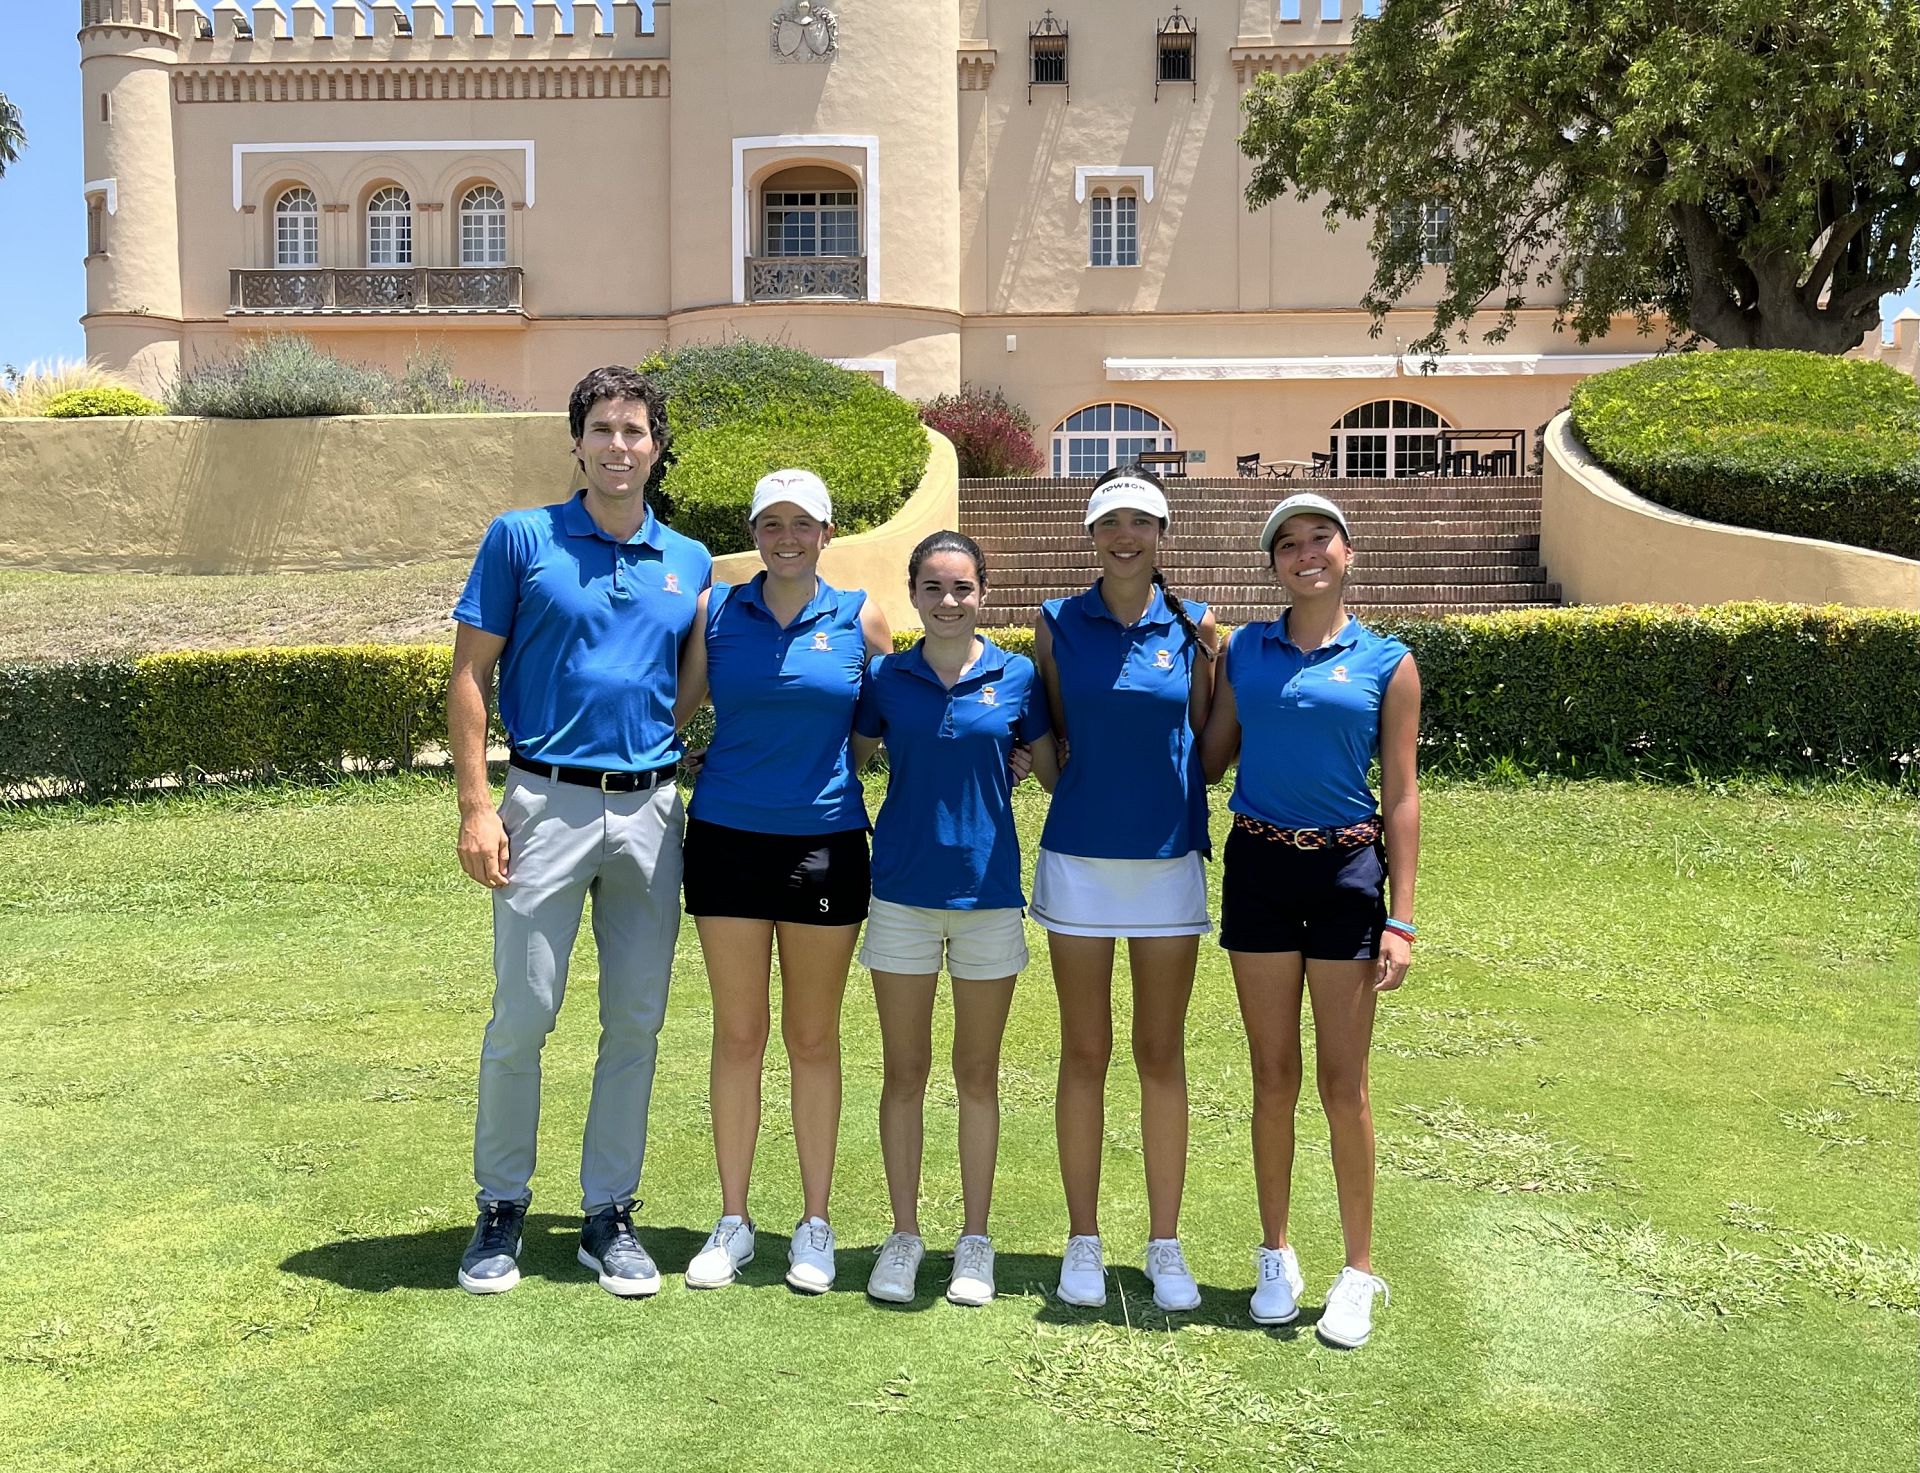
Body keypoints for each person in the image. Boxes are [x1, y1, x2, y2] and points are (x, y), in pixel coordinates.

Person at [448, 365, 712, 1298]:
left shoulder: (689, 558)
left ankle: (609, 1212)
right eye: (601, 428)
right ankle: (501, 1204)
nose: (618, 445)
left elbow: (689, 683)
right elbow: (471, 677)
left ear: (656, 446)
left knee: (635, 1018)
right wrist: (479, 806)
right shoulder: (522, 538)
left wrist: (652, 752)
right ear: (577, 442)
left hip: (650, 810)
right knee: (524, 1012)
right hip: (542, 804)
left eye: (635, 430)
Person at [1200, 491, 1420, 1349]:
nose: (1306, 554)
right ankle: (1276, 1252)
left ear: (1347, 552)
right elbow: (1213, 756)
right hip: (1258, 866)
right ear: (1274, 564)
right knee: (1272, 1074)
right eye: (1287, 544)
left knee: (1343, 1081)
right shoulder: (1247, 649)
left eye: (1319, 538)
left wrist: (1402, 917)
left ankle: (1358, 1269)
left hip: (1345, 872)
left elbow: (1400, 794)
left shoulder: (1387, 660)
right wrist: (1199, 663)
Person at [671, 469, 892, 1295]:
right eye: (771, 523)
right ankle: (733, 1220)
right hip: (726, 837)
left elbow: (885, 717)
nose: (786, 537)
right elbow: (681, 705)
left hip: (825, 843)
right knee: (739, 1033)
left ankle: (815, 1222)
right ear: (755, 532)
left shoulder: (859, 613)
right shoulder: (716, 609)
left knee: (811, 1036)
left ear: (828, 532)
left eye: (803, 522)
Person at [1030, 465, 1219, 1313]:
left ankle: (1166, 1241)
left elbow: (1210, 751)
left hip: (1167, 860)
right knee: (1083, 1051)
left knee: (1160, 1053)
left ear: (1162, 533)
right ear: (1091, 534)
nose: (1125, 537)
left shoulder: (1199, 628)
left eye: (1141, 523)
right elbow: (1060, 731)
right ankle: (1082, 1238)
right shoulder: (1056, 624)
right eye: (1111, 523)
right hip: (1079, 860)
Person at [853, 530, 1058, 1308]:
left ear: (983, 593)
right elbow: (854, 758)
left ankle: (975, 1239)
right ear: (913, 594)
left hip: (988, 895)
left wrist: (1017, 761)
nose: (948, 601)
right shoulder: (885, 677)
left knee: (977, 1074)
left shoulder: (1018, 678)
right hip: (901, 891)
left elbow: (1048, 767)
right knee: (904, 1073)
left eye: (962, 587)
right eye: (933, 587)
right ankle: (903, 1236)